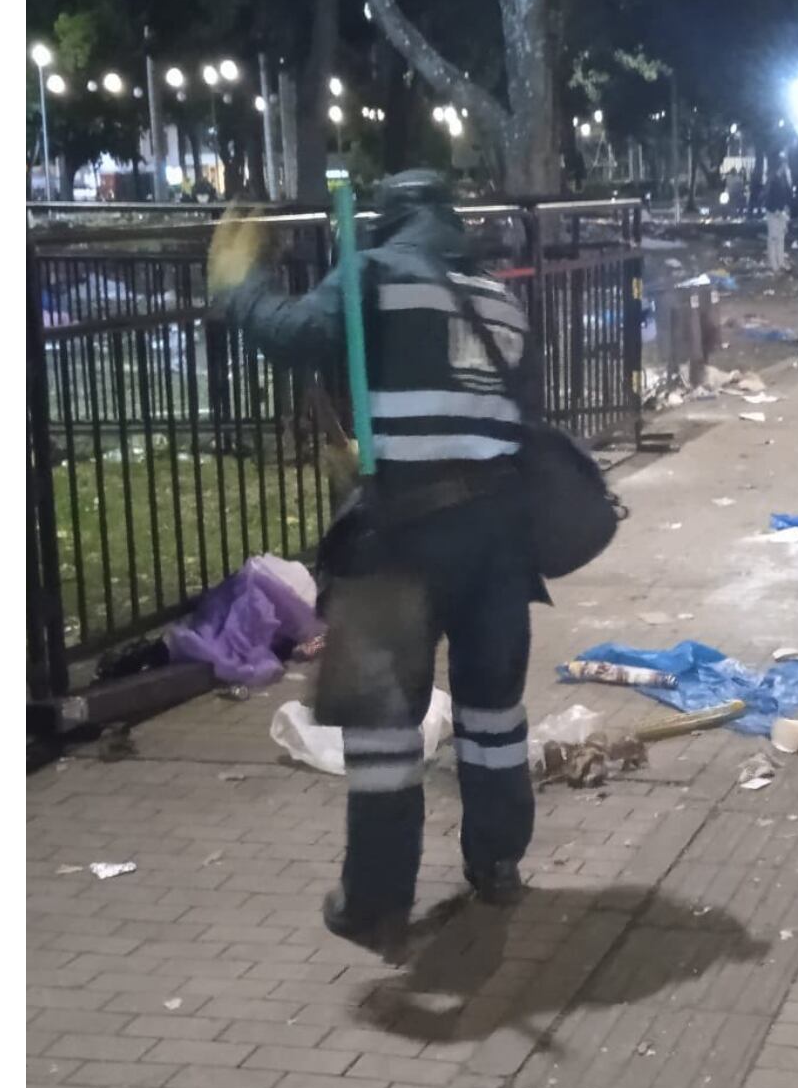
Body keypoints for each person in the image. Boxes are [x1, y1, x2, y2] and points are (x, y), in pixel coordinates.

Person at [203, 172, 543, 959]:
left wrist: (239, 286)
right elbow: (503, 408)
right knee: (493, 719)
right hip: (497, 537)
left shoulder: (375, 273)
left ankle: (377, 900)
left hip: (400, 536)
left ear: (386, 221)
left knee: (386, 734)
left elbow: (295, 334)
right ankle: (497, 864)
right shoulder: (496, 296)